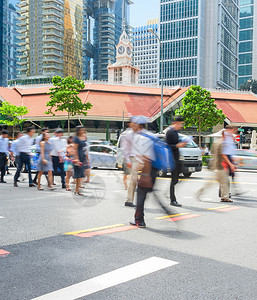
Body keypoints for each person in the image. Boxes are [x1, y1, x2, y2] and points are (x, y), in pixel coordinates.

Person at [129, 115, 156, 228]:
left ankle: (140, 220)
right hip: (153, 170)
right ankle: (139, 219)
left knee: (141, 196)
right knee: (144, 196)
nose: (132, 126)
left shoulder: (141, 138)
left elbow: (146, 157)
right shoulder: (150, 135)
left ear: (138, 125)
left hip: (147, 170)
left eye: (134, 124)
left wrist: (145, 175)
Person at [196, 131, 235, 202]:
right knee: (225, 182)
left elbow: (213, 153)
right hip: (221, 166)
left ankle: (200, 192)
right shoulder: (222, 143)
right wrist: (230, 164)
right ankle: (225, 197)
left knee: (212, 183)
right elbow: (223, 155)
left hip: (216, 166)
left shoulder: (216, 142)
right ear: (224, 136)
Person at [165, 116, 187, 207]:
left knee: (176, 179)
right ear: (175, 123)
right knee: (174, 179)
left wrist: (183, 143)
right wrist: (177, 146)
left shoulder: (176, 132)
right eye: (181, 124)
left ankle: (170, 195)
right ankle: (172, 199)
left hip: (177, 157)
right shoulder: (170, 132)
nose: (181, 126)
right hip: (171, 158)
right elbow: (168, 146)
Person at [122, 118, 139, 207]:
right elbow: (125, 149)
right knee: (133, 180)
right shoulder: (127, 134)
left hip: (136, 158)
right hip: (131, 158)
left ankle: (130, 200)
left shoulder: (137, 133)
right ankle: (129, 200)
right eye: (134, 123)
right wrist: (128, 160)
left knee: (134, 180)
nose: (136, 125)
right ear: (130, 124)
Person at [73, 126, 87, 195]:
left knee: (80, 174)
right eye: (81, 130)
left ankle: (77, 189)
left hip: (82, 156)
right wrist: (76, 158)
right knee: (78, 174)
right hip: (78, 156)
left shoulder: (83, 137)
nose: (82, 131)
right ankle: (77, 189)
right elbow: (75, 149)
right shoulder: (76, 138)